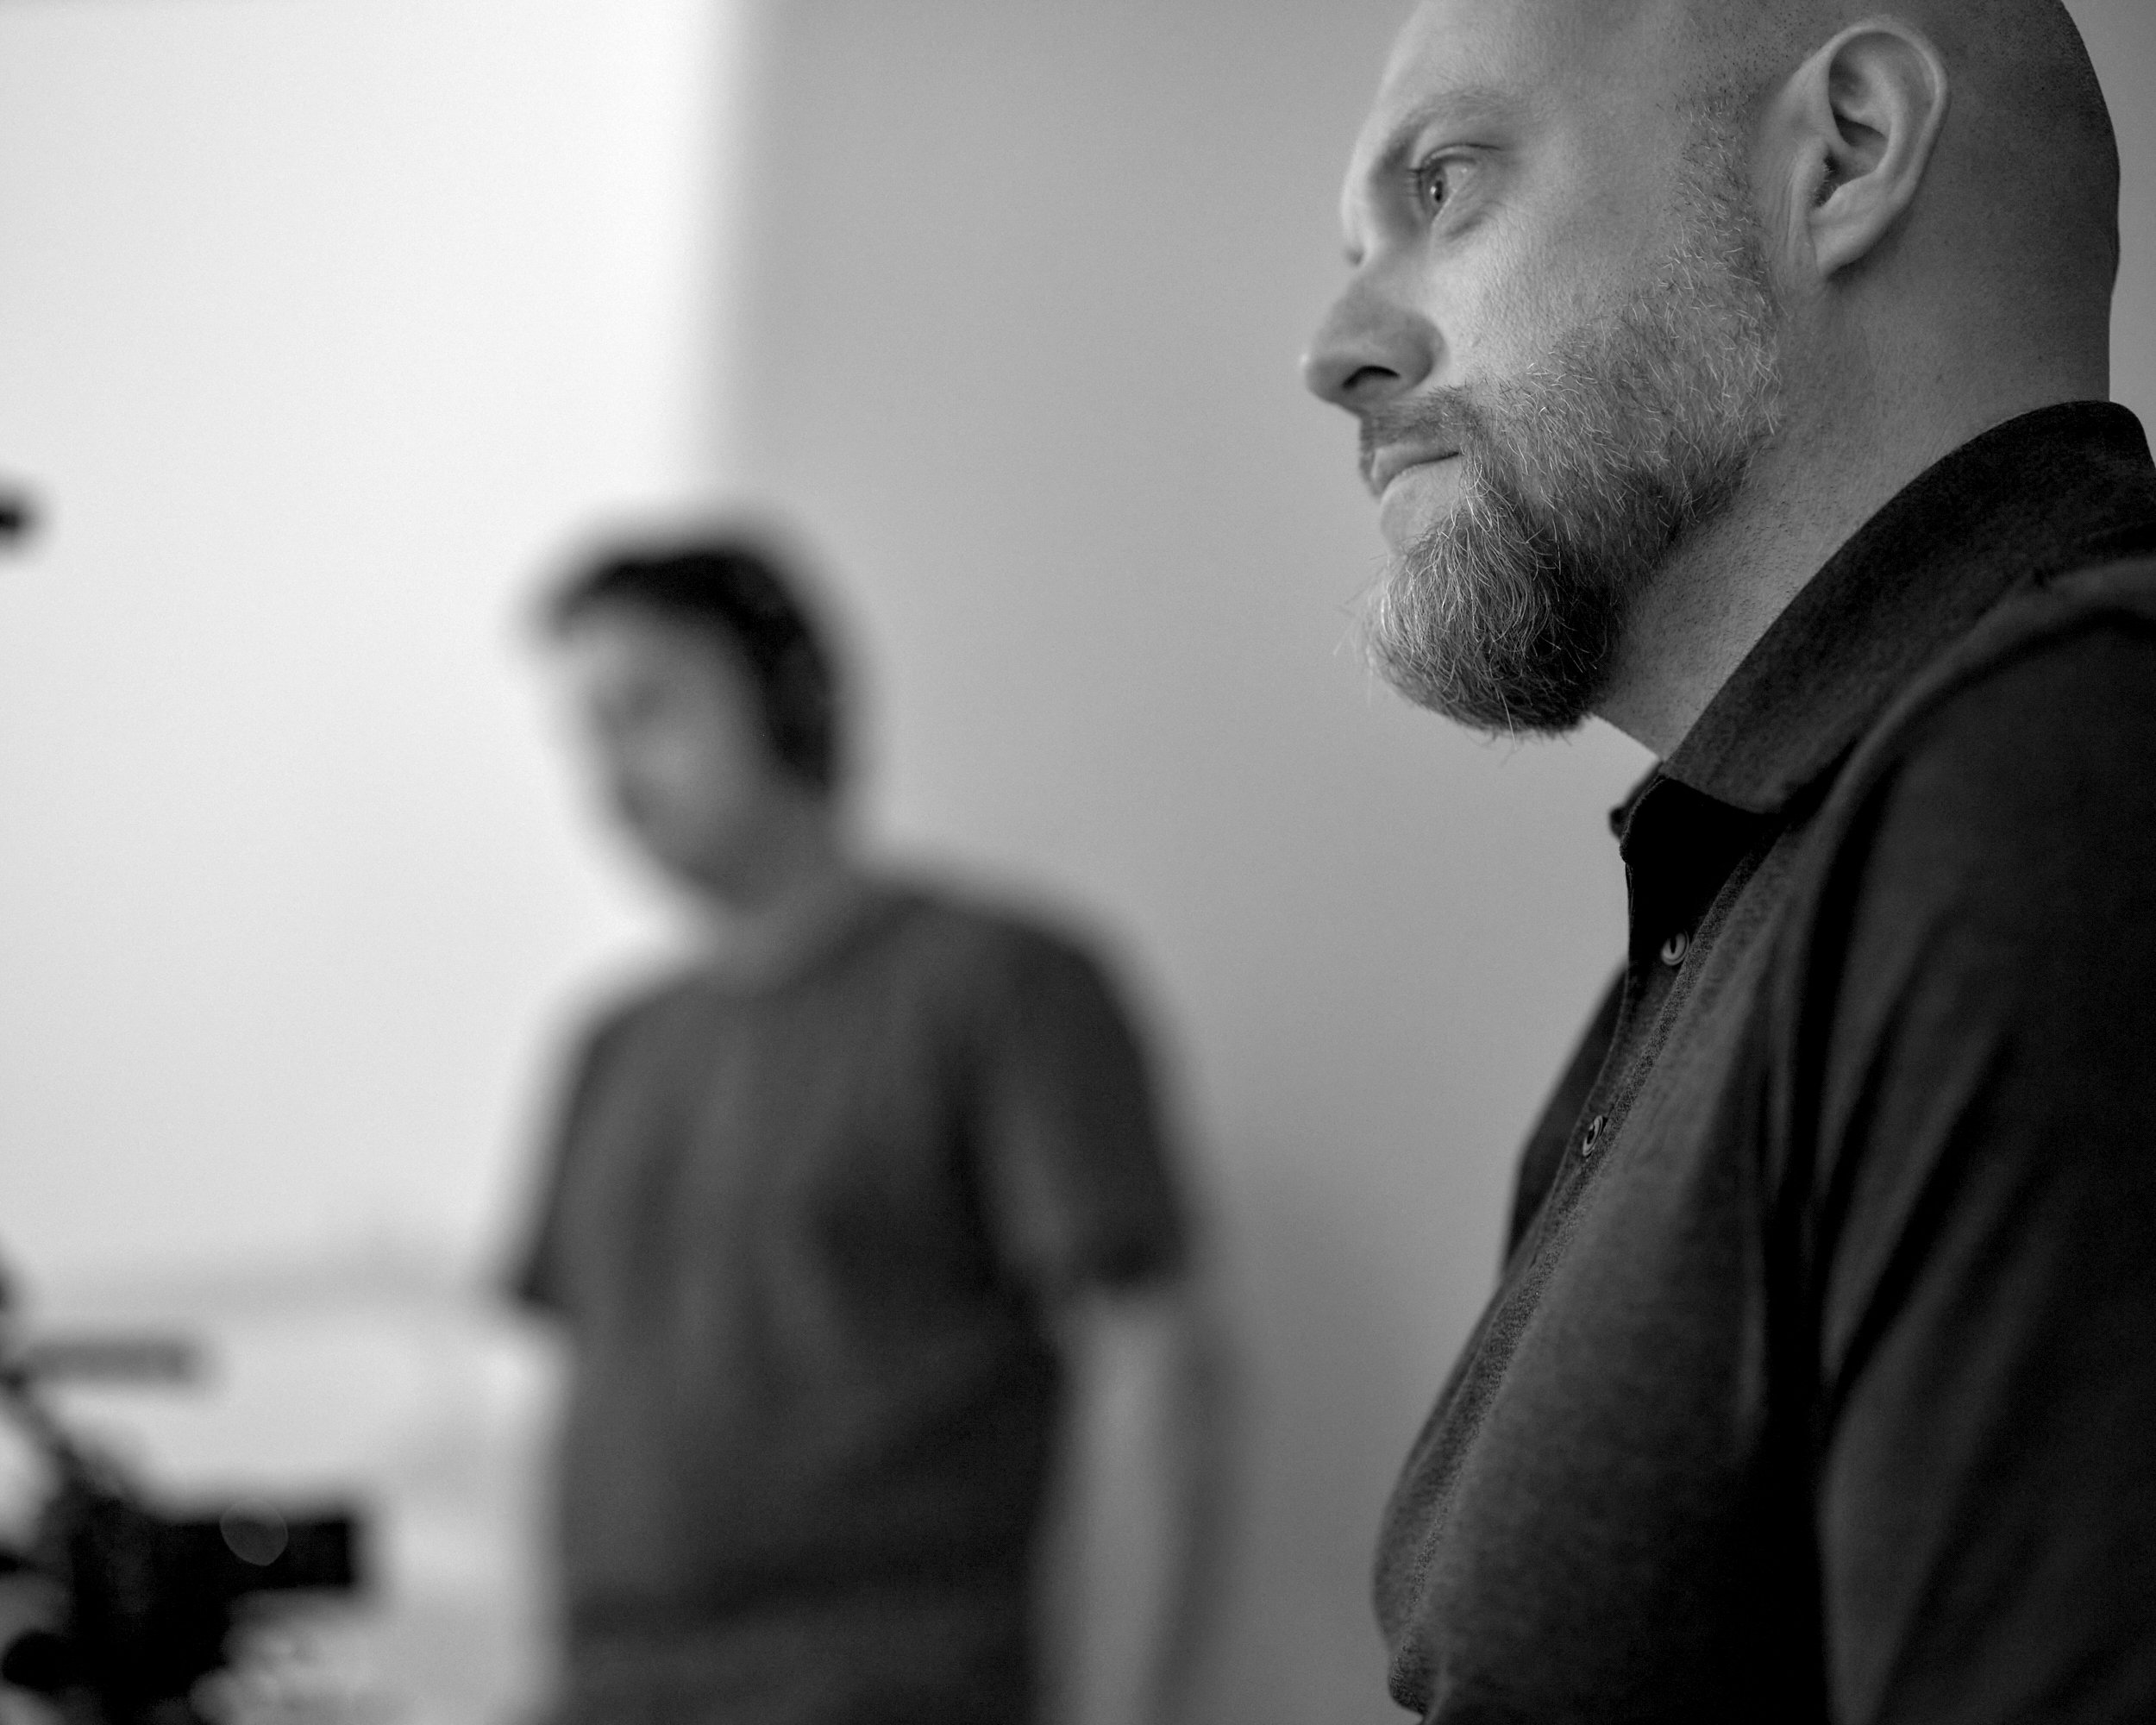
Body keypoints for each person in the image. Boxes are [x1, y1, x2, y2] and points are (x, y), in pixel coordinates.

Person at [1304, 0, 2156, 1720]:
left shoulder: (2058, 785)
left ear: (1842, 148)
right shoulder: (1776, 872)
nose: (1333, 347)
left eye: (1445, 186)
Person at [509, 535, 1222, 1725]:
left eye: (645, 711)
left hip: (890, 1688)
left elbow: (1152, 1376)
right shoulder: (608, 1046)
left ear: (793, 702)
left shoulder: (1004, 985)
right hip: (608, 1692)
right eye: (585, 731)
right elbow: (570, 1400)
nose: (610, 779)